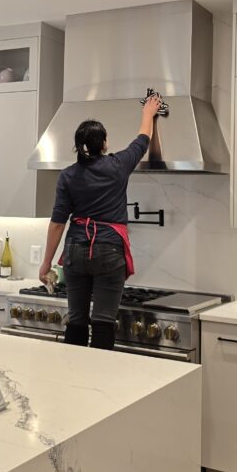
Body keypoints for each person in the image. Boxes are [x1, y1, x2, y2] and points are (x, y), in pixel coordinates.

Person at [40, 94, 163, 349]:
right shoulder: (118, 165)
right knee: (103, 322)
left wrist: (46, 263)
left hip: (75, 250)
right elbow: (143, 139)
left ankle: (72, 372)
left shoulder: (67, 176)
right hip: (109, 251)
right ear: (104, 144)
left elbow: (58, 223)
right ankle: (99, 373)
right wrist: (148, 113)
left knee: (76, 320)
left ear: (77, 147)